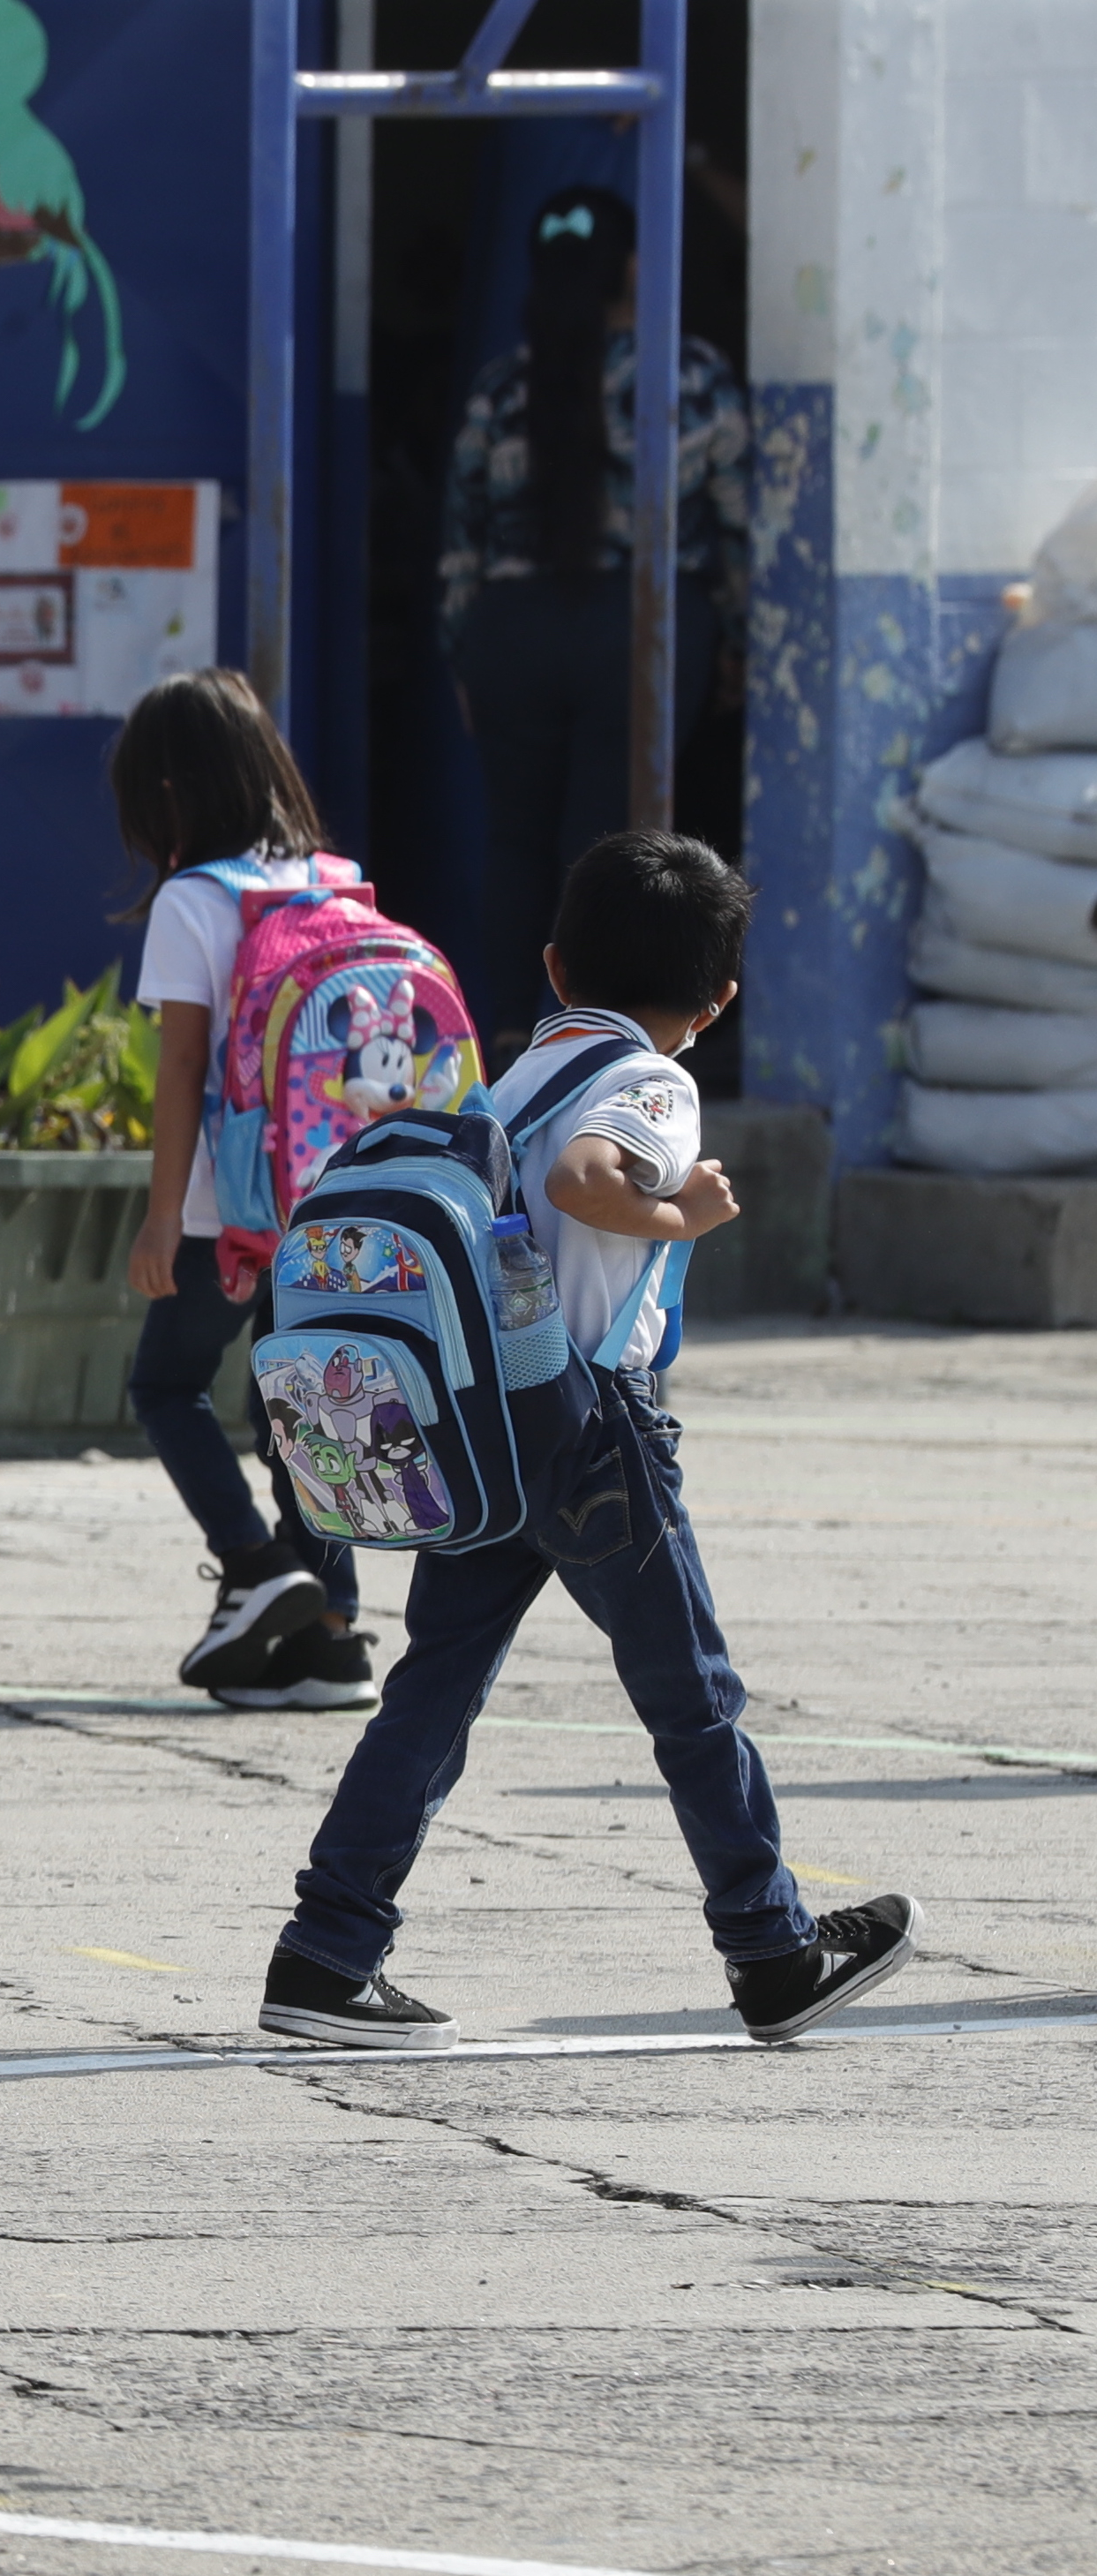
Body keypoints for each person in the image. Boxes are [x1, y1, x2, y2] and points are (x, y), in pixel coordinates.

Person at [261, 831, 918, 2053]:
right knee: (691, 1695)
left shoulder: (505, 1082)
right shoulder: (652, 1083)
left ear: (556, 966)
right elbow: (581, 1179)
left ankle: (324, 1951)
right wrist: (684, 1211)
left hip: (491, 1425)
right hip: (594, 1429)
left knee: (432, 1692)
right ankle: (770, 1950)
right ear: (715, 1001)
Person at [112, 667, 374, 1713]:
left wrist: (162, 1213)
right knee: (302, 1407)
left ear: (168, 790)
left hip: (228, 1208)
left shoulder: (194, 899)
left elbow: (182, 1069)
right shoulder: (339, 879)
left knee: (166, 1387)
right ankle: (333, 1639)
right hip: (327, 1194)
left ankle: (258, 1568)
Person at [441, 184, 748, 1053]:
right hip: (641, 630)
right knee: (616, 846)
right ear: (634, 270)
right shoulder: (689, 377)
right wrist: (734, 642)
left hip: (512, 630)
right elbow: (736, 523)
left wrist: (465, 652)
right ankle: (605, 1040)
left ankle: (510, 1031)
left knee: (516, 841)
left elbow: (460, 533)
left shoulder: (502, 386)